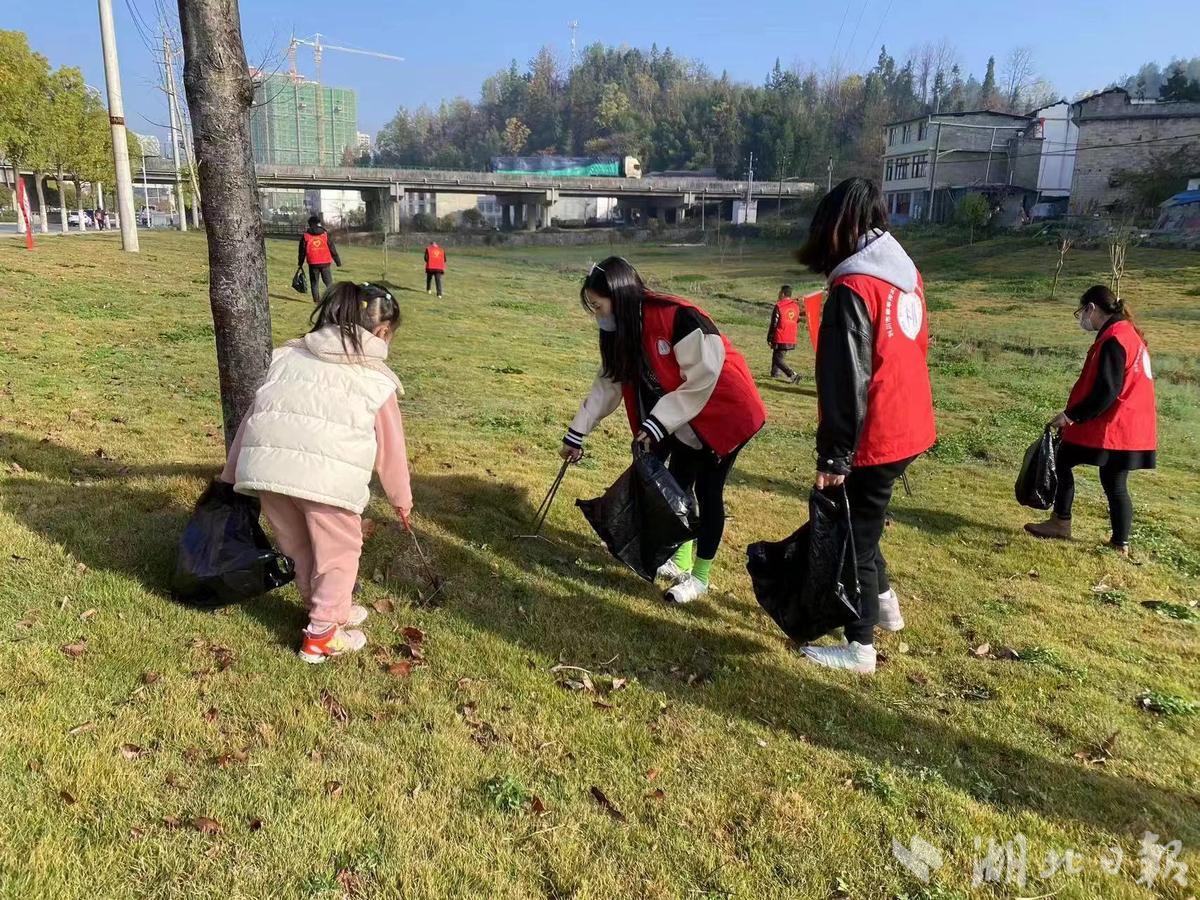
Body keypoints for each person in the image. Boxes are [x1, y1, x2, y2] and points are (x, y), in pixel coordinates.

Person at [221, 282, 412, 663]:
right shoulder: (377, 380)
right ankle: (322, 634)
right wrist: (401, 500)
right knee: (340, 553)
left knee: (301, 548)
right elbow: (392, 452)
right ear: (382, 332)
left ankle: (327, 611)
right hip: (328, 484)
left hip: (269, 474)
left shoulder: (286, 357)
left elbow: (254, 416)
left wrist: (231, 473)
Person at [560, 257, 767, 604]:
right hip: (684, 418)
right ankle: (680, 559)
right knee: (676, 486)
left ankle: (700, 578)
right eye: (593, 309)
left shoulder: (677, 317)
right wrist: (576, 434)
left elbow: (703, 377)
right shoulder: (621, 332)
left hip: (726, 412)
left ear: (619, 296)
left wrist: (657, 424)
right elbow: (608, 384)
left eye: (599, 306)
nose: (598, 316)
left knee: (708, 489)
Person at [793, 177, 936, 674]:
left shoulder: (853, 289)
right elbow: (917, 348)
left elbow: (844, 382)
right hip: (911, 422)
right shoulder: (906, 277)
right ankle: (887, 609)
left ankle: (860, 647)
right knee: (867, 525)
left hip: (876, 431)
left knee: (854, 536)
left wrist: (833, 458)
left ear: (837, 226)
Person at [1025, 286, 1156, 556]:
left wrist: (1072, 416)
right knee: (1115, 481)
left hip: (1112, 425)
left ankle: (1061, 522)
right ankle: (1120, 544)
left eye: (1081, 312)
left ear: (1092, 308)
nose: (1082, 319)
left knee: (1061, 459)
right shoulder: (1129, 334)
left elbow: (1106, 390)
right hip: (1132, 425)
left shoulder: (1114, 339)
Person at [298, 215, 341, 303]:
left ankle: (316, 301)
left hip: (313, 262)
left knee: (314, 283)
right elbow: (332, 248)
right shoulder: (325, 234)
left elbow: (302, 251)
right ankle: (332, 298)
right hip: (325, 262)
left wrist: (300, 262)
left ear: (309, 224)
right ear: (318, 223)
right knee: (328, 282)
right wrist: (337, 261)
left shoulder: (306, 236)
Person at [768, 284, 803, 382]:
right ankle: (775, 374)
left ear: (783, 294)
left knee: (778, 359)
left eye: (779, 292)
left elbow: (774, 323)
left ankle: (793, 375)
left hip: (781, 335)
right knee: (778, 354)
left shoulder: (779, 306)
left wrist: (770, 337)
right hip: (791, 336)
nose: (778, 294)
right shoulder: (795, 307)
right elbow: (797, 320)